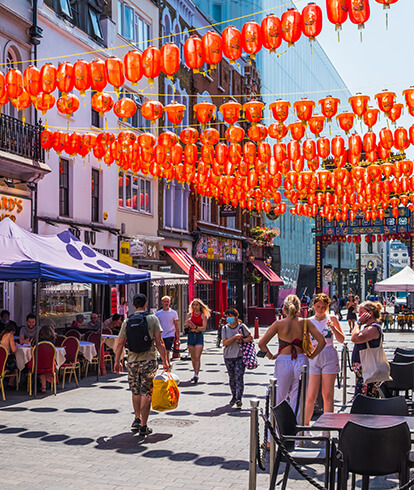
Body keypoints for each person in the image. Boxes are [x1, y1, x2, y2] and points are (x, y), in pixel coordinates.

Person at [258, 294, 326, 416]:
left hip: (283, 361)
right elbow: (322, 341)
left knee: (279, 398)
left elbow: (262, 343)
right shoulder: (305, 323)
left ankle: (275, 431)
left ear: (284, 309)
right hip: (301, 360)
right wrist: (311, 355)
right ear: (299, 309)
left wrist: (271, 355)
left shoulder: (278, 324)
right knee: (298, 400)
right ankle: (297, 431)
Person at [114, 293, 169, 436]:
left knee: (135, 390)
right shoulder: (152, 319)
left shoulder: (127, 321)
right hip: (149, 360)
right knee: (146, 391)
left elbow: (120, 343)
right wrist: (165, 360)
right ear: (146, 304)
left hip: (132, 361)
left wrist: (117, 361)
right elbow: (159, 342)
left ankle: (136, 418)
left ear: (133, 305)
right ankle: (144, 425)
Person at [304, 294, 345, 426]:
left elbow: (341, 339)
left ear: (327, 307)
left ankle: (326, 428)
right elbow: (304, 340)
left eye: (323, 307)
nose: (320, 309)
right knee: (311, 395)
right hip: (314, 356)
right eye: (318, 307)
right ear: (313, 306)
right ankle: (304, 427)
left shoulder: (332, 318)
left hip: (329, 355)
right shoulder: (308, 321)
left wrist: (333, 327)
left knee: (327, 394)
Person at [351, 301, 384, 399]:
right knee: (363, 394)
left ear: (370, 313)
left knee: (365, 396)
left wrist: (358, 324)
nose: (359, 315)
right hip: (364, 369)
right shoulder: (369, 327)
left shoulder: (373, 328)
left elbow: (355, 338)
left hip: (368, 369)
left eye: (361, 312)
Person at [221, 308, 253, 409]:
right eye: (227, 316)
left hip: (239, 355)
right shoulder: (225, 328)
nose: (229, 318)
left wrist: (242, 340)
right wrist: (234, 337)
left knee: (239, 376)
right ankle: (234, 395)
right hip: (228, 356)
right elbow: (224, 342)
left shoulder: (242, 327)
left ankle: (239, 398)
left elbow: (250, 337)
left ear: (236, 317)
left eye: (231, 316)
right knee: (232, 377)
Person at [184, 298, 211, 384]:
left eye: (196, 305)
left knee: (197, 356)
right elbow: (185, 326)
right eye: (193, 305)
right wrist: (187, 324)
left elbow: (203, 328)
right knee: (192, 357)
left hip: (199, 336)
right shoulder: (189, 315)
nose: (195, 307)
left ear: (200, 306)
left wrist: (194, 326)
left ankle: (196, 374)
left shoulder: (203, 315)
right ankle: (194, 372)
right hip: (191, 335)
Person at [155, 296, 180, 363]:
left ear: (170, 302)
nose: (166, 303)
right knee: (163, 353)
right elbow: (156, 326)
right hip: (161, 335)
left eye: (167, 301)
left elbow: (176, 325)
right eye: (165, 301)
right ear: (162, 302)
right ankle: (167, 366)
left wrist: (178, 338)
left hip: (170, 334)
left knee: (166, 352)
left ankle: (167, 367)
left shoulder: (174, 313)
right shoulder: (158, 313)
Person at [0, 323, 17, 388]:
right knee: (17, 365)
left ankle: (6, 379)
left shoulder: (2, 335)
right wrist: (15, 344)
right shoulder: (10, 335)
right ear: (12, 331)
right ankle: (10, 382)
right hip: (6, 358)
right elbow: (13, 350)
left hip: (1, 358)